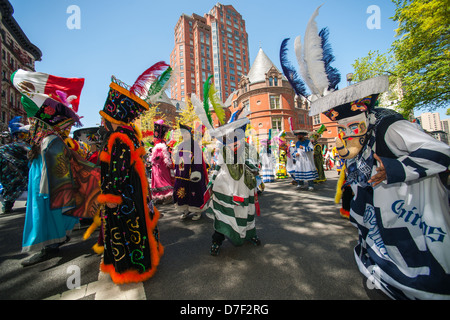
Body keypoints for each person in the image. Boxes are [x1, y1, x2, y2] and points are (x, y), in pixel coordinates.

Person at [315, 76, 450, 299]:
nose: (346, 135)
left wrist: (394, 168)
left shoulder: (390, 128)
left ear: (366, 118)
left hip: (410, 211)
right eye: (342, 128)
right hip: (379, 216)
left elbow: (441, 152)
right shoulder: (362, 136)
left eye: (353, 127)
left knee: (423, 271)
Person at [12, 69, 100, 266]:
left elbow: (58, 172)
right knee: (44, 215)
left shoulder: (51, 141)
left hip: (50, 192)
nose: (30, 124)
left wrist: (45, 189)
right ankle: (53, 242)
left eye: (33, 121)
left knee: (47, 216)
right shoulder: (45, 141)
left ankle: (49, 246)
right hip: (44, 190)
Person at [97, 63, 167, 284]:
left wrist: (111, 196)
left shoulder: (118, 139)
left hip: (125, 194)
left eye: (105, 119)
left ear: (112, 119)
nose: (103, 123)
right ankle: (142, 261)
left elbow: (117, 172)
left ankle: (132, 267)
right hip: (134, 190)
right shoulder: (130, 136)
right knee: (139, 225)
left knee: (128, 229)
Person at [173, 123, 209, 220]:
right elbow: (177, 160)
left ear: (190, 134)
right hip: (181, 175)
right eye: (183, 134)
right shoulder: (180, 145)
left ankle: (197, 211)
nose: (184, 135)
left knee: (194, 193)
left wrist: (196, 173)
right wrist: (175, 171)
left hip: (192, 175)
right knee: (182, 194)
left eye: (186, 134)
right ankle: (185, 210)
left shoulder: (195, 146)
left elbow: (198, 161)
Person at [0, 117, 30, 214]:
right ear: (14, 136)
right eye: (21, 135)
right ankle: (8, 205)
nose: (23, 138)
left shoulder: (29, 149)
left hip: (23, 180)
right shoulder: (4, 150)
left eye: (25, 135)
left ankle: (9, 205)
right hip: (11, 179)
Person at [150, 120, 174, 204]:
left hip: (160, 167)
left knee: (161, 180)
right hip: (156, 168)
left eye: (155, 137)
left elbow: (160, 157)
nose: (153, 138)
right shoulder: (157, 145)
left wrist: (153, 159)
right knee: (157, 181)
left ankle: (168, 196)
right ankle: (160, 197)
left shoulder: (160, 145)